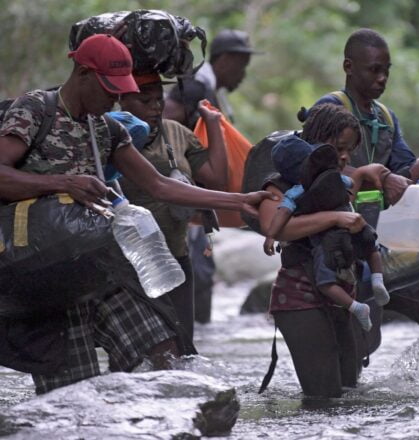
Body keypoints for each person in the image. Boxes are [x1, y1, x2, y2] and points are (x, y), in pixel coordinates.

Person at [0, 34, 272, 394]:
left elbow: (160, 185)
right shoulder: (35, 111)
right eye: (108, 87)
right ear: (83, 73)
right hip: (43, 279)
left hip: (98, 270)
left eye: (119, 89)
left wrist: (238, 201)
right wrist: (62, 182)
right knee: (71, 393)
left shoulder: (108, 129)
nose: (114, 97)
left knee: (165, 352)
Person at [310, 27, 419, 328]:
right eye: (374, 70)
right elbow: (313, 168)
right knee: (354, 338)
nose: (382, 78)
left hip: (379, 235)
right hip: (336, 233)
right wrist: (380, 177)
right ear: (348, 67)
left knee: (370, 336)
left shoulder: (385, 116)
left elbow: (408, 174)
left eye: (386, 71)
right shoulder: (329, 108)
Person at [259, 103, 389, 398]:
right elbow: (275, 226)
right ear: (314, 140)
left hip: (342, 296)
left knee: (348, 390)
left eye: (349, 150)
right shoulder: (280, 181)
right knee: (323, 396)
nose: (344, 157)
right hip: (300, 299)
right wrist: (334, 218)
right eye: (338, 148)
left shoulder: (337, 181)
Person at [117, 72, 228, 342]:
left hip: (176, 255)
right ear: (122, 101)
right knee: (137, 349)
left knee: (183, 346)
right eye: (145, 101)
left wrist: (213, 124)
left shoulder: (177, 132)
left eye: (159, 99)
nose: (155, 107)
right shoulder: (110, 134)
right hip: (129, 261)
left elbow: (216, 179)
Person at [163, 29, 262, 324]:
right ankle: (192, 337)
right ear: (226, 59)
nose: (242, 75)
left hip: (197, 198)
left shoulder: (206, 90)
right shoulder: (194, 89)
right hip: (183, 196)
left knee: (200, 270)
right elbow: (166, 128)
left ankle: (195, 337)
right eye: (241, 65)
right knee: (196, 271)